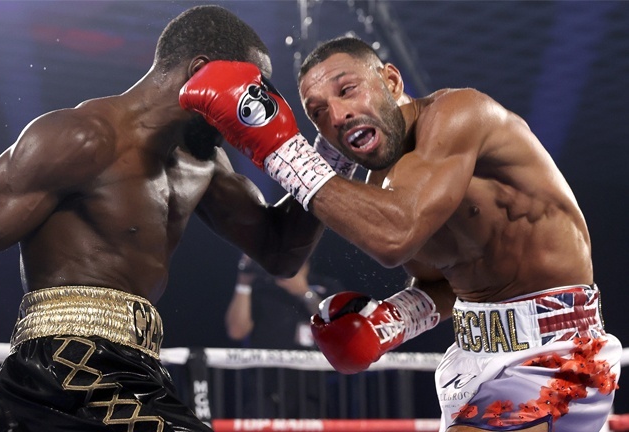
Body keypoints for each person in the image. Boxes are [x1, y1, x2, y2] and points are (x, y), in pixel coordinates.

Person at [178, 37, 622, 432]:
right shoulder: (378, 190)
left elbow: (395, 236)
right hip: (474, 360)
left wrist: (279, 149)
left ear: (390, 81)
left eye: (347, 89)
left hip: (557, 351)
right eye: (316, 113)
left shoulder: (459, 114)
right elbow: (444, 281)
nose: (337, 113)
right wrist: (390, 323)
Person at [0, 6, 328, 432]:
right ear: (203, 72)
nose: (255, 106)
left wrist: (325, 157)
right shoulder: (83, 136)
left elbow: (279, 252)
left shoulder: (205, 163)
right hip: (61, 366)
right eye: (251, 86)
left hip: (137, 370)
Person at [224, 254, 343, 418]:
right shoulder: (261, 287)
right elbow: (236, 331)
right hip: (264, 392)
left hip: (311, 392)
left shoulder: (326, 286)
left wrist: (304, 293)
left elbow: (341, 328)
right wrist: (243, 284)